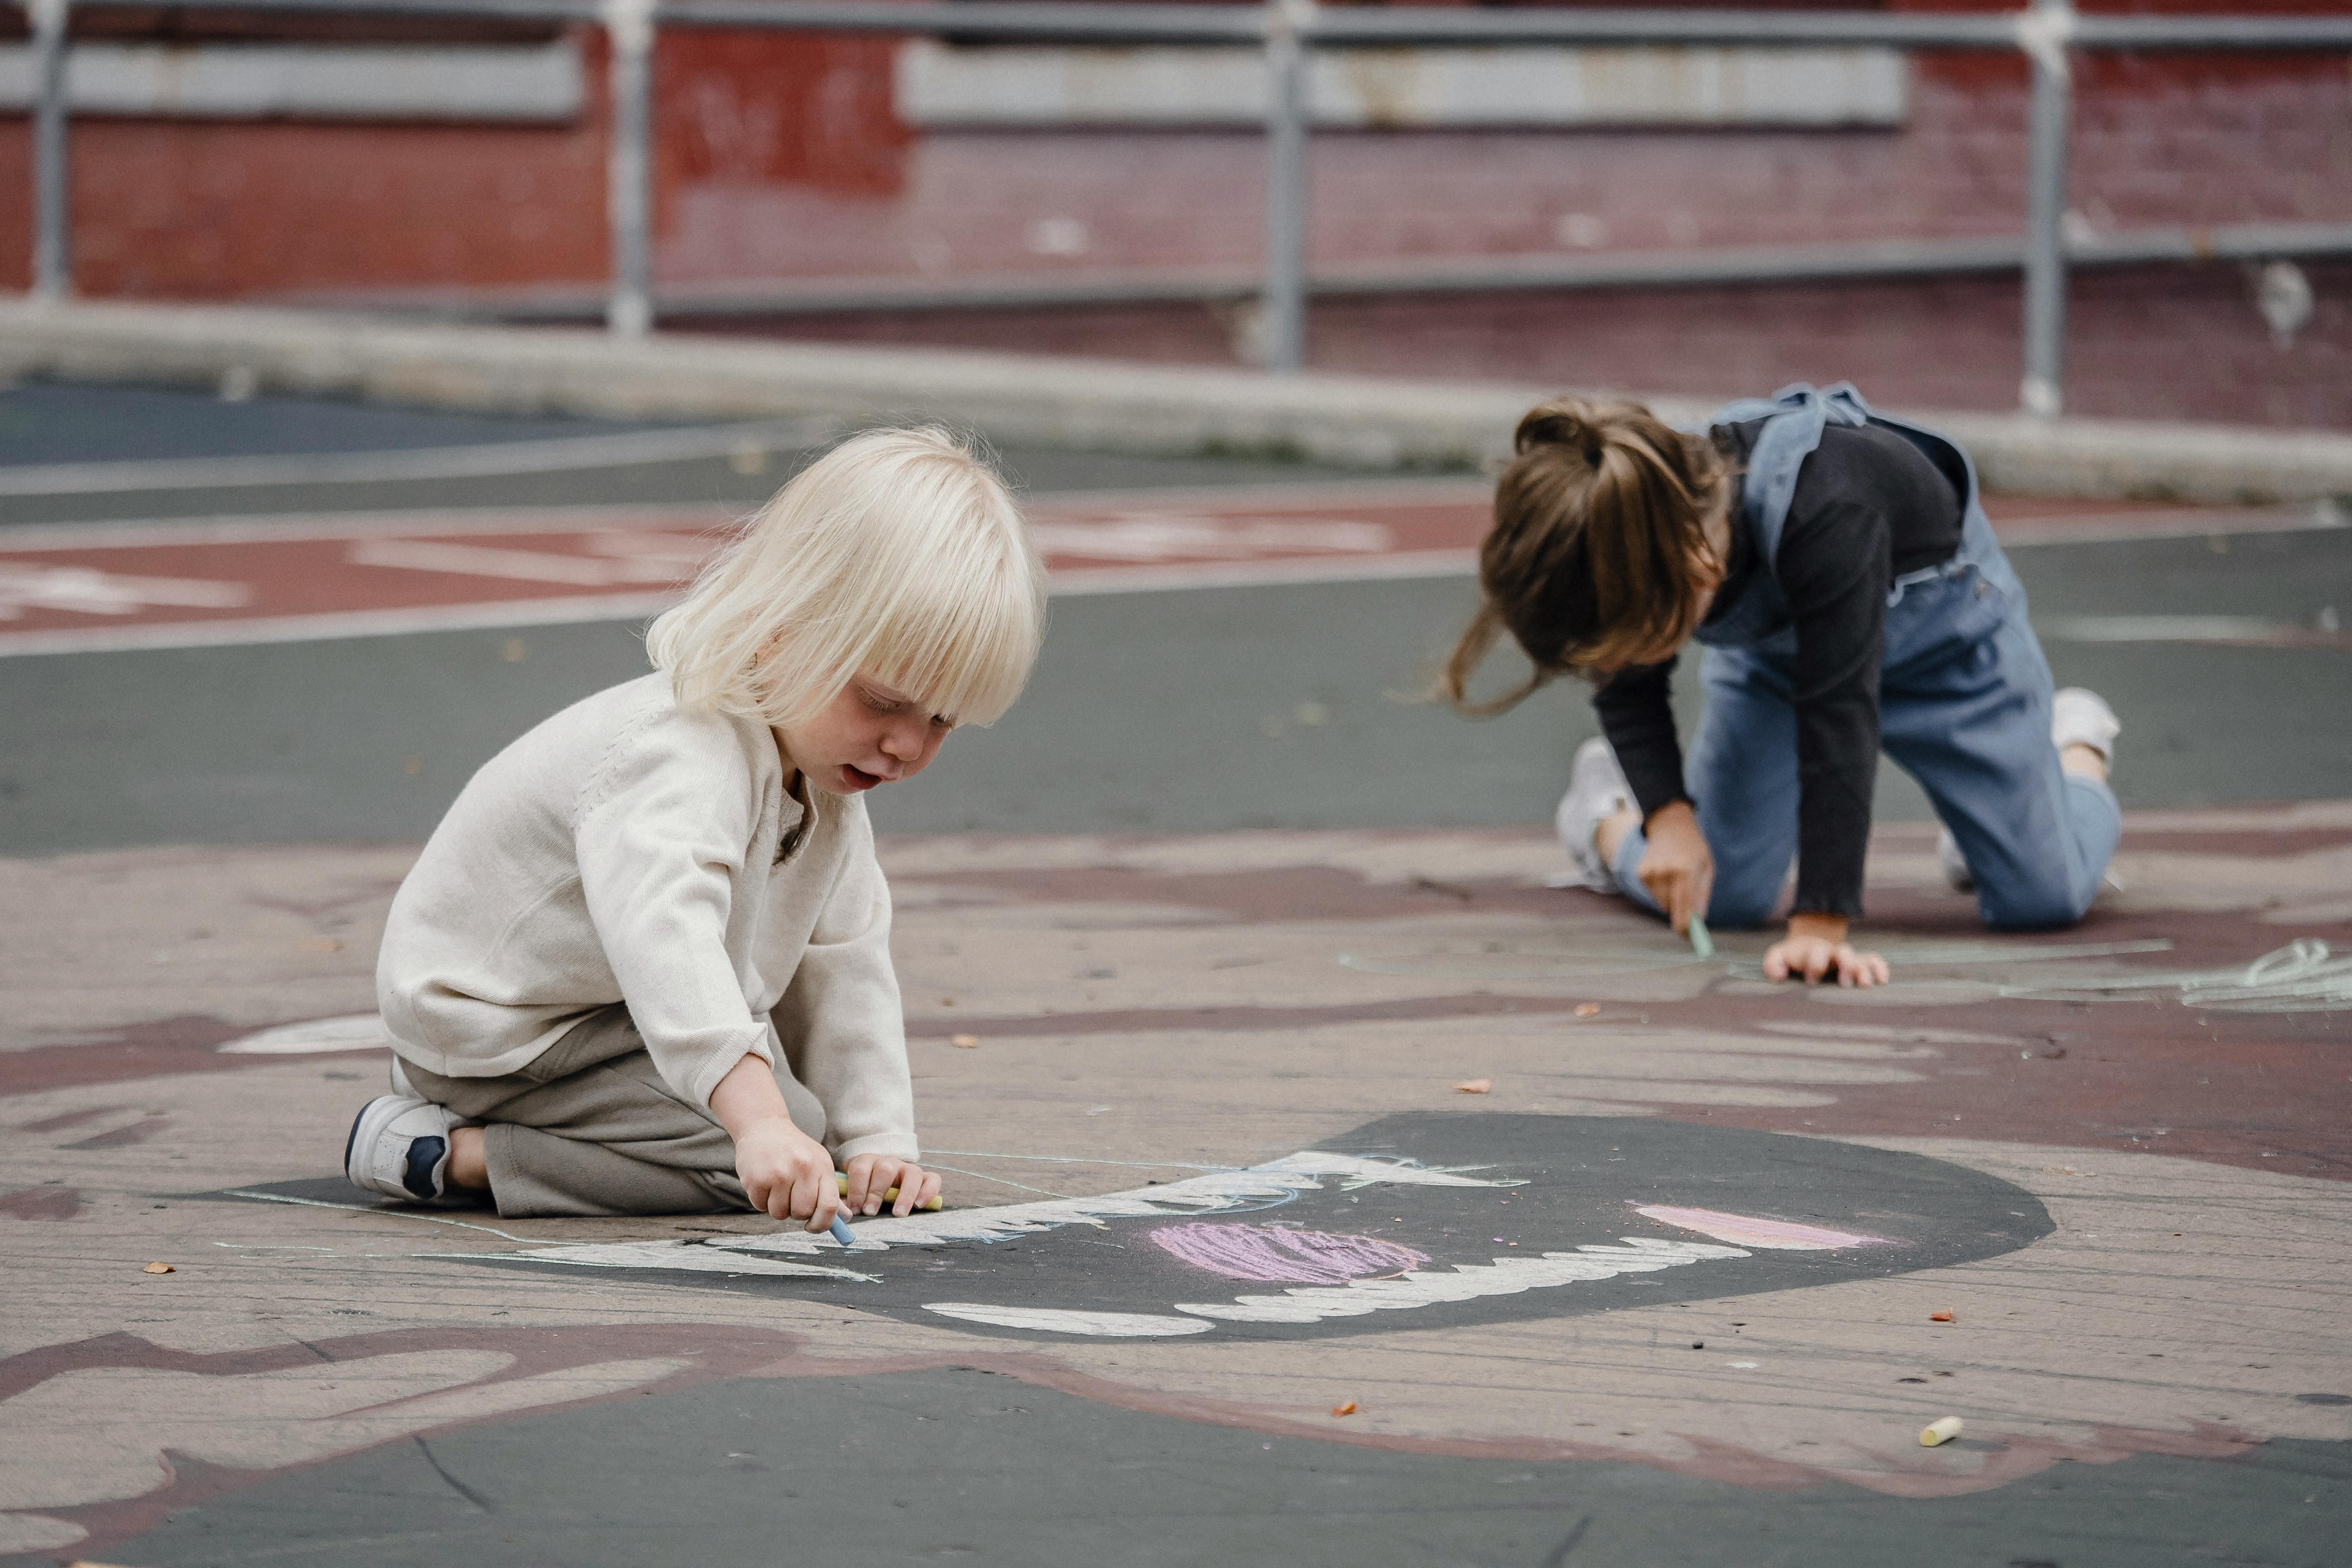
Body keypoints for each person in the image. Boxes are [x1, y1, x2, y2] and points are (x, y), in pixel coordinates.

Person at [344, 426, 1046, 1227]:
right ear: (782, 631)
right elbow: (665, 939)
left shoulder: (824, 778)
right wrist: (761, 1126)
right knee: (763, 1147)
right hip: (494, 1025)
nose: (907, 745)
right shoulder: (680, 753)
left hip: (599, 1016)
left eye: (943, 719)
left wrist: (878, 1140)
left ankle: (510, 1137)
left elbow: (843, 963)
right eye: (883, 701)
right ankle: (443, 1153)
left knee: (801, 1129)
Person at [1442, 383, 2121, 988]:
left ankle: (2072, 751)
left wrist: (1822, 925)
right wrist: (1667, 819)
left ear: (1698, 565)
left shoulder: (1828, 507)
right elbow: (1623, 679)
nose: (1621, 663)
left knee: (2043, 898)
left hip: (1953, 659)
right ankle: (1601, 819)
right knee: (1721, 895)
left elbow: (1839, 714)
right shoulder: (1641, 527)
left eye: (1640, 641)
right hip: (1779, 668)